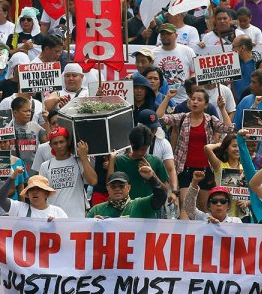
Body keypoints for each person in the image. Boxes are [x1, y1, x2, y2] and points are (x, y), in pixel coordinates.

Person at [157, 88, 233, 220]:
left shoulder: (210, 120)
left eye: (199, 100)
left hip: (206, 170)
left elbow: (229, 128)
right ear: (188, 102)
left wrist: (222, 108)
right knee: (186, 207)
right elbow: (160, 117)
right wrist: (168, 97)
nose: (195, 102)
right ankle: (184, 238)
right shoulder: (182, 118)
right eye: (193, 99)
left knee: (205, 208)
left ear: (206, 105)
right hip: (186, 170)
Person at [38, 128, 97, 218]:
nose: (59, 146)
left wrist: (84, 157)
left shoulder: (78, 161)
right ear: (50, 145)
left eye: (61, 142)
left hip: (77, 217)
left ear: (68, 142)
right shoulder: (45, 166)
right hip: (54, 218)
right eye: (55, 143)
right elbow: (41, 194)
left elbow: (93, 181)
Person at [108, 126, 169, 199]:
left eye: (143, 149)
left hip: (150, 207)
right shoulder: (120, 161)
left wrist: (152, 175)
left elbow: (165, 191)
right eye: (136, 148)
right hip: (127, 208)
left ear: (149, 145)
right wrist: (111, 160)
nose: (139, 152)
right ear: (130, 143)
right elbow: (109, 186)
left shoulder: (156, 161)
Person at [87, 170, 167, 219]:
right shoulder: (96, 210)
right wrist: (93, 225)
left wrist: (151, 178)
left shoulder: (140, 205)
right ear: (108, 188)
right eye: (113, 186)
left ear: (128, 187)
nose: (117, 189)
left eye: (121, 186)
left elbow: (161, 197)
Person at [0, 168, 67, 219]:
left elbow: (66, 233)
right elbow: (0, 199)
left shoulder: (58, 213)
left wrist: (55, 225)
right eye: (31, 189)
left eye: (39, 189)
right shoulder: (19, 208)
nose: (34, 192)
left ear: (46, 193)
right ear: (28, 193)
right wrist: (13, 177)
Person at [153, 23, 196, 104]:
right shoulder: (153, 53)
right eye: (163, 34)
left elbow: (196, 71)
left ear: (176, 35)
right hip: (160, 100)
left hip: (183, 99)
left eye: (168, 33)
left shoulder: (188, 51)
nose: (165, 36)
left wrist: (189, 83)